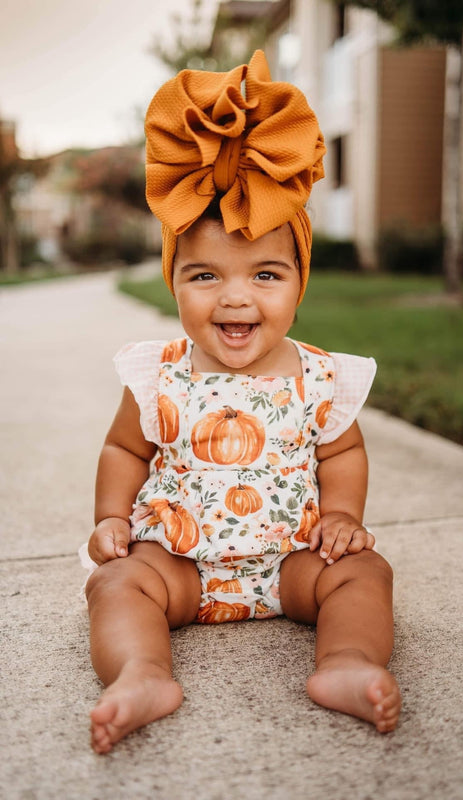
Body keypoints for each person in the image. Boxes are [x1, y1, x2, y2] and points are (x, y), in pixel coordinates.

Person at [81, 51, 401, 755]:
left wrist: (342, 517)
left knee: (364, 573)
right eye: (204, 275)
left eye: (265, 274)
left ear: (298, 284)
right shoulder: (158, 374)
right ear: (172, 283)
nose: (234, 297)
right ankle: (141, 672)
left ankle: (347, 661)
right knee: (116, 582)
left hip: (290, 562)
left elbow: (342, 452)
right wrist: (110, 519)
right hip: (179, 563)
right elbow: (123, 448)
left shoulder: (319, 376)